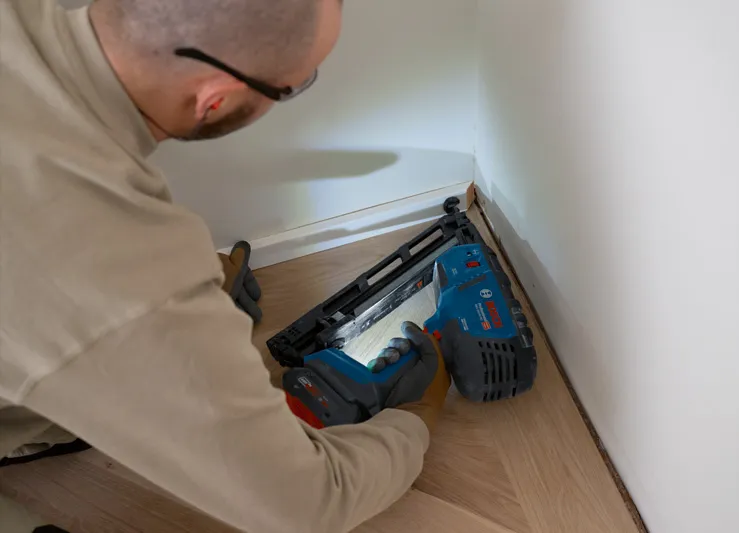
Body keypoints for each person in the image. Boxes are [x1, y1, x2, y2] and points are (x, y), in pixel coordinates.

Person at [0, 0, 452, 532]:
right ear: (214, 100)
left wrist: (174, 308)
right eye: (294, 86)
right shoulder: (108, 252)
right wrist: (413, 420)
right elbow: (307, 505)